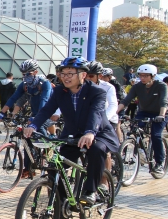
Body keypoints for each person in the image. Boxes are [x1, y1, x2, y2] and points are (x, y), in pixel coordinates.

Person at [24, 56, 119, 206]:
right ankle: (62, 203)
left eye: (70, 74)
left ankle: (91, 191)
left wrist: (90, 132)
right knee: (55, 166)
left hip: (97, 132)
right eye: (63, 73)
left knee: (96, 149)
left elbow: (96, 113)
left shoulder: (97, 92)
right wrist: (33, 126)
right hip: (72, 134)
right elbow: (47, 110)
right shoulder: (60, 91)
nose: (65, 77)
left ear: (83, 75)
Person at [117, 64, 168, 174]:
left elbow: (164, 101)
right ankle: (140, 149)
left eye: (146, 76)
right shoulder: (137, 86)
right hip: (143, 112)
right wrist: (115, 113)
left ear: (152, 76)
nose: (142, 78)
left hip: (159, 113)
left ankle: (159, 163)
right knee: (134, 131)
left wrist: (161, 115)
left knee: (156, 135)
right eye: (141, 75)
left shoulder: (161, 86)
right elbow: (126, 101)